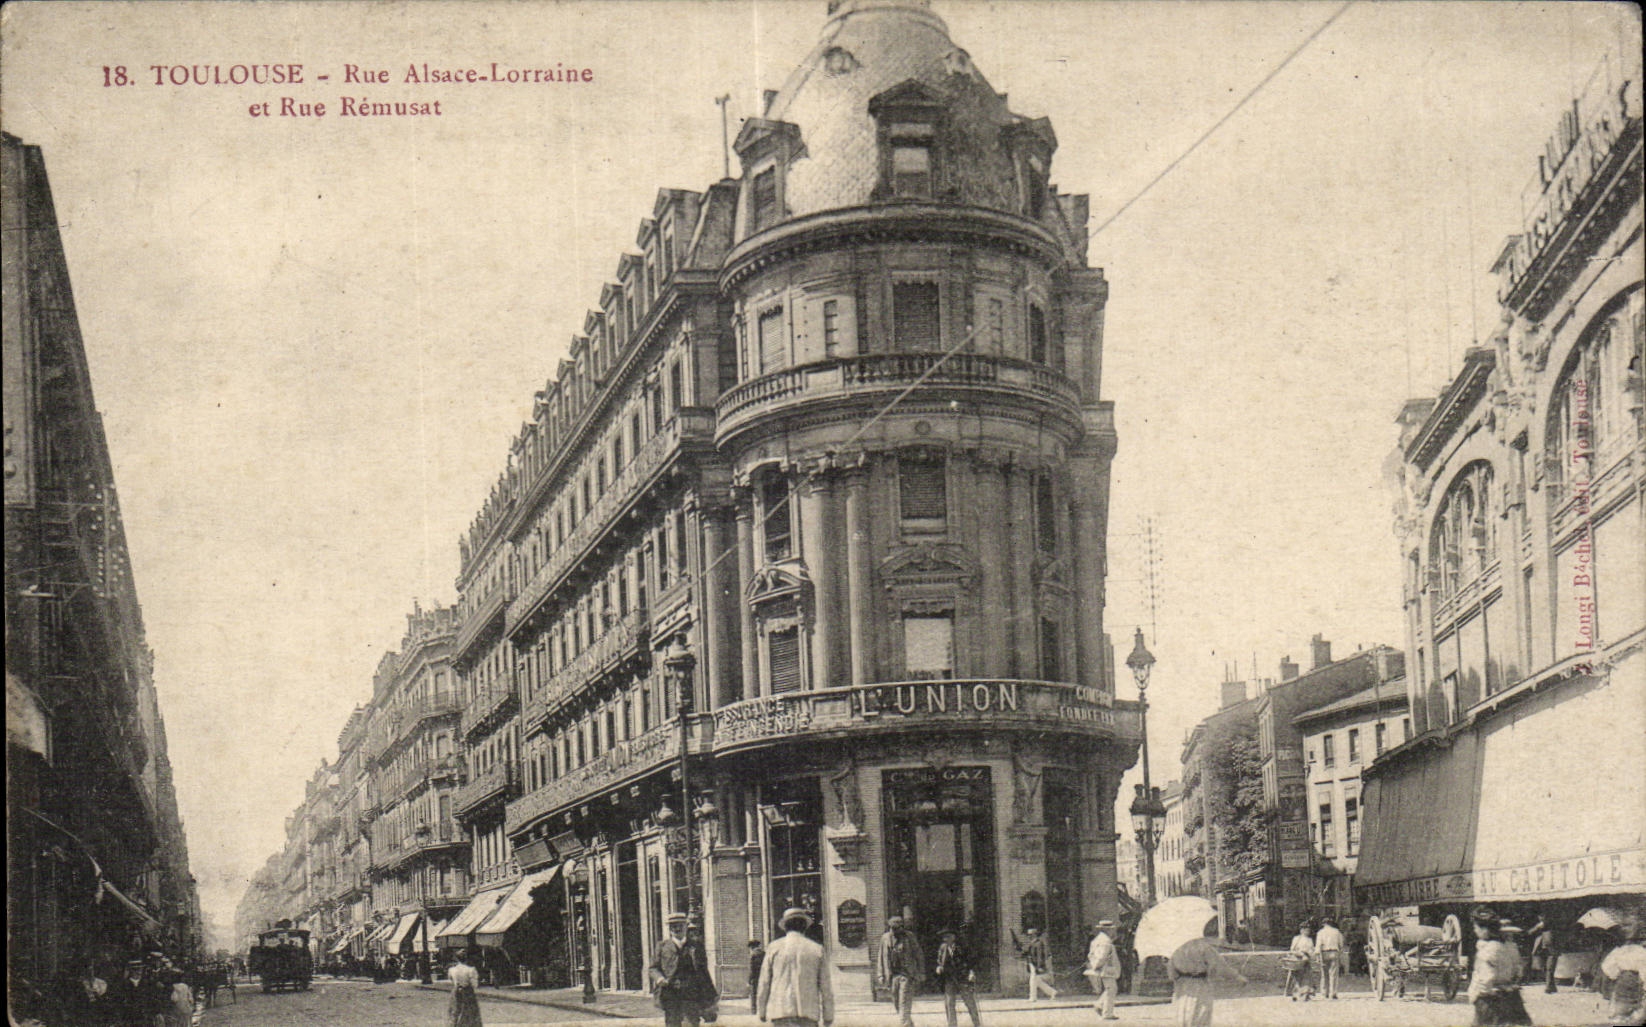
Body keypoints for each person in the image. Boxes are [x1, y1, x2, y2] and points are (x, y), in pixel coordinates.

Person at [757, 907, 834, 1027]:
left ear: (785, 926)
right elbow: (825, 986)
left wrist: (761, 1010)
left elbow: (764, 982)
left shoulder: (774, 948)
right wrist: (828, 1015)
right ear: (805, 927)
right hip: (808, 1013)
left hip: (781, 1011)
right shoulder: (816, 949)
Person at [1169, 921, 1247, 1027]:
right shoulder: (1203, 947)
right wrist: (1237, 977)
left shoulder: (1175, 948)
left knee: (1182, 1016)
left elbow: (1171, 972)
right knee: (1200, 1016)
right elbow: (1220, 966)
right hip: (1200, 986)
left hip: (1181, 987)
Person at [651, 913, 717, 1027]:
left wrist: (711, 996)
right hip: (670, 994)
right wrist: (659, 978)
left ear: (686, 926)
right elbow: (653, 968)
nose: (677, 929)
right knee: (672, 1024)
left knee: (692, 1023)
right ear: (670, 929)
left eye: (680, 925)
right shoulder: (662, 946)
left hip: (691, 995)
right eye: (673, 926)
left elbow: (704, 972)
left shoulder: (696, 946)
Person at [1467, 909, 1531, 1026]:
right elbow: (1517, 971)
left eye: (1476, 928)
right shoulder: (1508, 948)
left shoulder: (1487, 951)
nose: (1475, 931)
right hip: (1510, 997)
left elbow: (1487, 978)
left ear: (1484, 930)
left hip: (1489, 1002)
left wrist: (1477, 994)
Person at [877, 915, 924, 1027]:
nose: (894, 931)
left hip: (907, 974)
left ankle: (904, 1024)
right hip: (892, 975)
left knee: (904, 1002)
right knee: (897, 1002)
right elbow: (881, 957)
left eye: (897, 928)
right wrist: (880, 974)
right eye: (892, 928)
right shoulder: (885, 938)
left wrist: (921, 972)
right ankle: (908, 1023)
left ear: (901, 927)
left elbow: (919, 955)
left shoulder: (909, 937)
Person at [933, 927, 982, 1027]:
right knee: (949, 1003)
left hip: (962, 978)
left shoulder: (962, 947)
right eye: (944, 937)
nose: (945, 939)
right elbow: (939, 960)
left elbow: (971, 961)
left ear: (953, 937)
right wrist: (939, 967)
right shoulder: (943, 948)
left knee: (970, 1002)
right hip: (949, 978)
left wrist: (971, 973)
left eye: (948, 937)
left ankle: (977, 1024)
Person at [1600, 935, 1646, 1026]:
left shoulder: (1619, 951)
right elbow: (1644, 970)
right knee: (1636, 1006)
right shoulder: (1642, 952)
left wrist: (1615, 975)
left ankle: (1620, 1017)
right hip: (1636, 978)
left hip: (1622, 978)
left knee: (1620, 1003)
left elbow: (1607, 966)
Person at [1085, 919, 1122, 1020]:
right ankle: (1107, 1013)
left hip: (1102, 967)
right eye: (1111, 929)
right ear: (1107, 930)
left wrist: (1094, 964)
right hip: (1107, 968)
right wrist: (1098, 964)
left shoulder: (1096, 940)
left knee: (1110, 988)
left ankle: (1099, 1005)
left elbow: (1090, 954)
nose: (1112, 931)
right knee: (1111, 989)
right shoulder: (1106, 941)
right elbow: (1103, 956)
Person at [1017, 927, 1058, 1001]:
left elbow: (1039, 956)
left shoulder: (1038, 943)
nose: (1029, 936)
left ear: (1035, 935)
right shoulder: (1032, 943)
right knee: (1037, 981)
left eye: (1030, 935)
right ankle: (1052, 992)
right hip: (1032, 964)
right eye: (1028, 935)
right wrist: (1020, 949)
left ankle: (1033, 997)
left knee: (1032, 981)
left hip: (1035, 964)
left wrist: (1039, 966)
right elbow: (1027, 953)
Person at [446, 949, 483, 1027]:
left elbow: (451, 981)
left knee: (455, 1011)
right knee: (469, 1012)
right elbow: (475, 984)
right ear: (466, 959)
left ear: (457, 958)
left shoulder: (452, 970)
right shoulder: (471, 970)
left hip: (456, 992)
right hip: (468, 992)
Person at [1528, 918, 1559, 994]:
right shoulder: (1539, 930)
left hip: (1551, 951)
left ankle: (1548, 987)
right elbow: (1529, 932)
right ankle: (1553, 986)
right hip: (1541, 951)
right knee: (1545, 969)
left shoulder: (1552, 929)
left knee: (1550, 968)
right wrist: (1537, 927)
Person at [1315, 917, 1344, 999]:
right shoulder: (1336, 932)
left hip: (1324, 953)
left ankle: (1325, 992)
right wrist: (1340, 953)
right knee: (1333, 974)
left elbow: (1318, 945)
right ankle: (1333, 993)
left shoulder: (1320, 932)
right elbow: (1341, 944)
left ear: (1324, 924)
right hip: (1334, 952)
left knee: (1324, 974)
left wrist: (1317, 956)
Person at [1286, 922, 1315, 1001]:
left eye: (1308, 930)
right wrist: (1301, 954)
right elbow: (1292, 949)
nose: (1307, 931)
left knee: (1306, 977)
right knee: (1298, 977)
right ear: (1301, 930)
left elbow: (1312, 950)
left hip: (1306, 960)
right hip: (1298, 959)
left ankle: (1305, 993)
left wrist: (1310, 954)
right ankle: (1296, 993)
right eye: (1305, 930)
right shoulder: (1297, 939)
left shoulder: (1309, 940)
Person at [749, 939, 767, 1015]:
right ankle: (764, 1010)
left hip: (755, 977)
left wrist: (749, 979)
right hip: (763, 976)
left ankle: (754, 1010)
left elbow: (752, 968)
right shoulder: (764, 953)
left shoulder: (753, 954)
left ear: (752, 947)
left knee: (753, 994)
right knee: (764, 992)